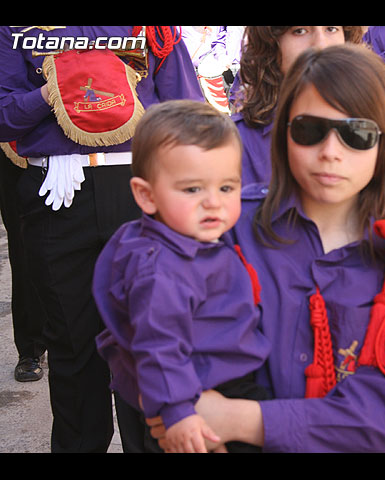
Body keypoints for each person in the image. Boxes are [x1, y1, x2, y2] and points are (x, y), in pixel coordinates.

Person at [147, 44, 385, 453]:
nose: (330, 152)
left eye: (357, 134)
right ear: (284, 135)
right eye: (310, 130)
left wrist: (234, 419)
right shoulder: (223, 228)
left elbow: (373, 421)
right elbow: (143, 331)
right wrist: (174, 407)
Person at [0, 26, 203, 453]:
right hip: (56, 193)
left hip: (139, 185)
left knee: (147, 343)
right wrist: (55, 90)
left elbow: (188, 111)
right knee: (72, 347)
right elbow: (3, 116)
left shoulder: (148, 29)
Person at [93, 100, 270, 453]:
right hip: (192, 396)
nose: (213, 202)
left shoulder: (185, 239)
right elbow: (158, 345)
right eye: (192, 189)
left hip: (215, 381)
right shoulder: (160, 268)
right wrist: (177, 411)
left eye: (227, 187)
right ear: (146, 195)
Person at [230, 26, 364, 187]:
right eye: (300, 31)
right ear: (271, 44)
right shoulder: (236, 144)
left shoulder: (379, 125)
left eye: (331, 29)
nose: (321, 45)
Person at [0, 146, 47, 382]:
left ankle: (102, 349)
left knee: (92, 248)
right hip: (13, 147)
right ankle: (31, 347)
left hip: (81, 136)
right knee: (23, 251)